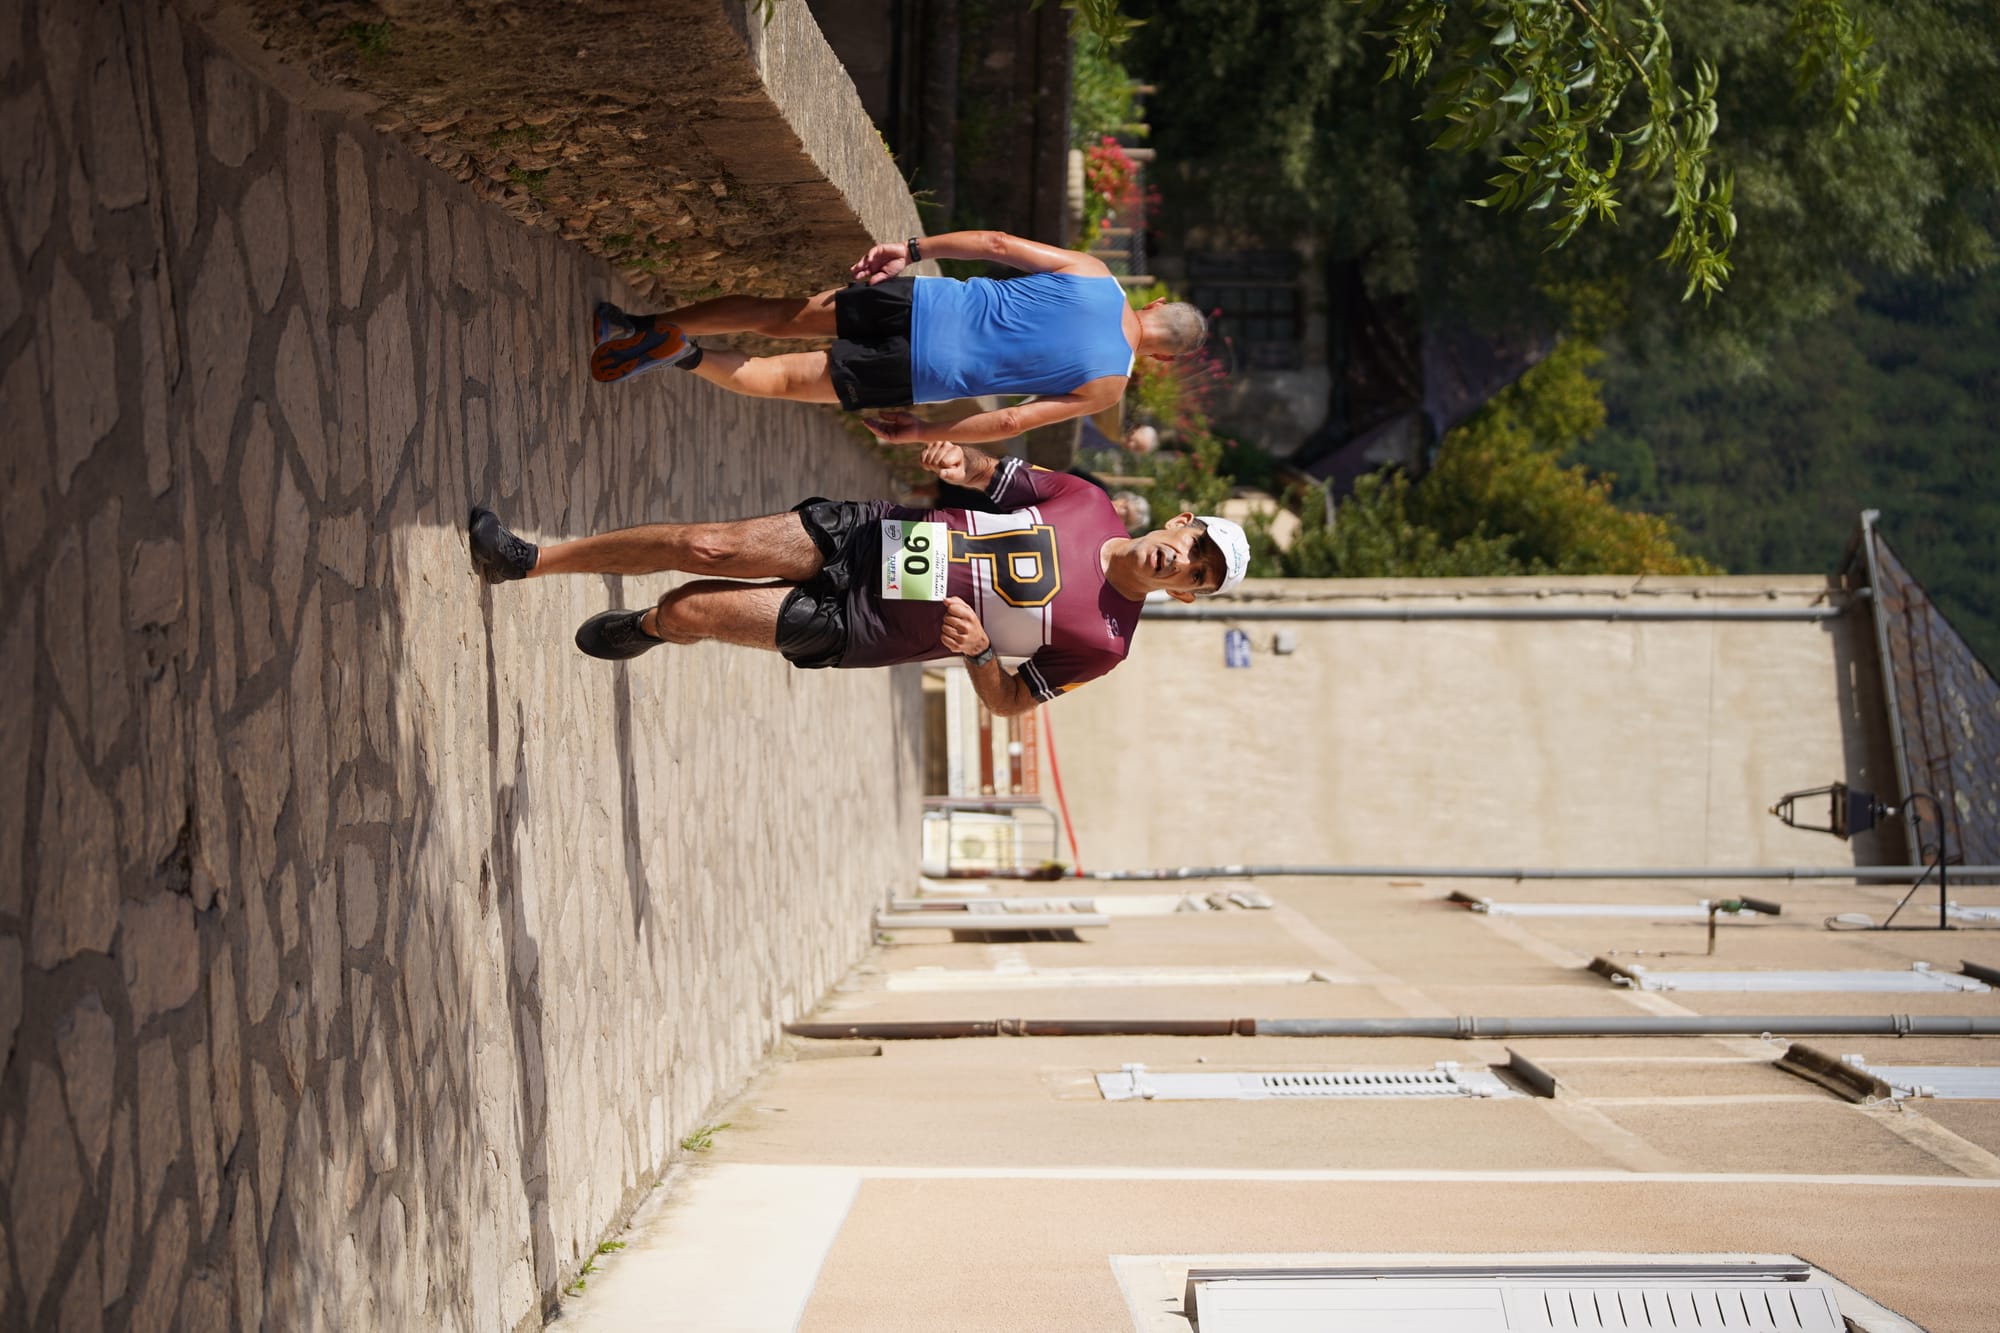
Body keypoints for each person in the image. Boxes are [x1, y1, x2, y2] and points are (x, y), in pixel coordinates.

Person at [468, 444, 1250, 716]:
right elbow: (993, 475)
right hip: (878, 537)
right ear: (1181, 521)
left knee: (689, 609)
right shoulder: (1087, 500)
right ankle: (528, 559)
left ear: (1187, 594)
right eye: (1197, 546)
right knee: (705, 544)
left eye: (1200, 575)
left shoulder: (1107, 643)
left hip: (872, 628)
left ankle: (650, 628)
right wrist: (960, 462)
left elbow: (1012, 702)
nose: (1185, 562)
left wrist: (981, 652)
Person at [585, 229, 1209, 446]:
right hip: (923, 373)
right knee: (777, 378)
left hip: (924, 302)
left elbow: (997, 246)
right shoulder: (1107, 386)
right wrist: (925, 433)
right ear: (1159, 356)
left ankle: (639, 327)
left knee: (774, 313)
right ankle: (681, 354)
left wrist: (912, 250)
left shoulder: (1095, 273)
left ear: (1154, 304)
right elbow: (1010, 422)